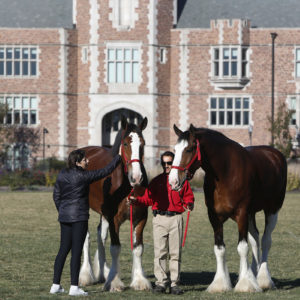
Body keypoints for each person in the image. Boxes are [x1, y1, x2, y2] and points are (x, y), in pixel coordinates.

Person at [50, 149, 121, 296]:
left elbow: (56, 195)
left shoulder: (62, 173)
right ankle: (74, 287)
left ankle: (55, 285)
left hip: (64, 217)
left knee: (63, 250)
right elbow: (105, 171)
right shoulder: (84, 176)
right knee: (76, 252)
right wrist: (118, 156)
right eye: (84, 160)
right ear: (77, 162)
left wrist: (62, 211)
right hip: (79, 218)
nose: (87, 161)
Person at [128, 151, 195, 295]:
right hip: (159, 219)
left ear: (174, 163)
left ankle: (175, 283)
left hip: (176, 218)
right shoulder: (156, 181)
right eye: (164, 163)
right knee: (160, 253)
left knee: (175, 253)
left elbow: (189, 197)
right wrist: (136, 201)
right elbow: (147, 199)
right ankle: (161, 283)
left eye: (169, 163)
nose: (166, 166)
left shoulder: (181, 180)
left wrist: (189, 204)